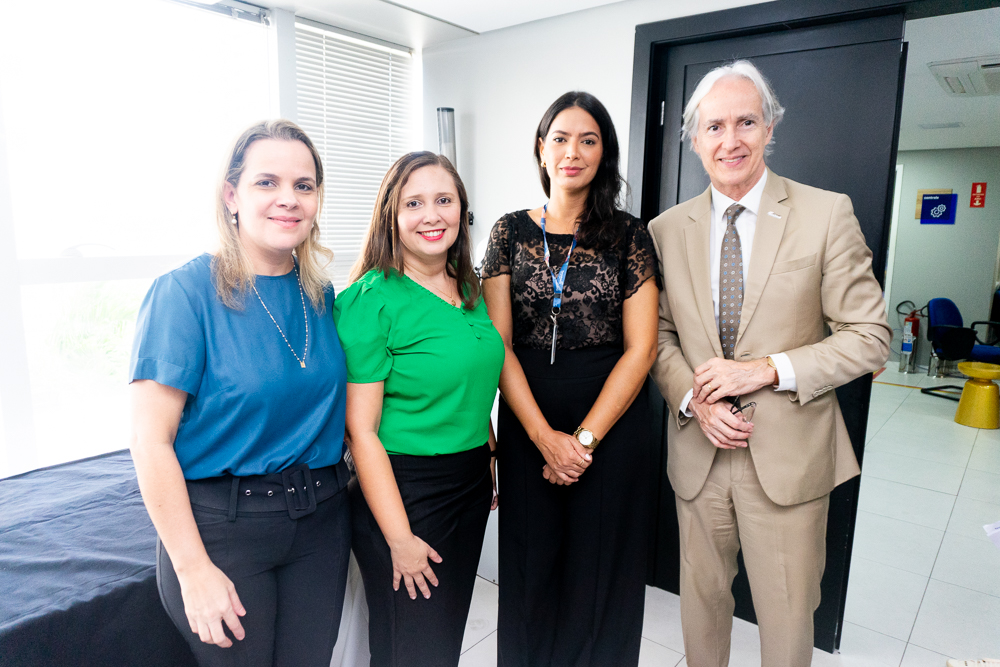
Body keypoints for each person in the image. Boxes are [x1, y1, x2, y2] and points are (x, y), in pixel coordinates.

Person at [647, 60, 892, 667]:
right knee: (701, 607)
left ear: (771, 127)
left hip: (788, 459)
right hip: (699, 455)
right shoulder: (665, 230)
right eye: (714, 127)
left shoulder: (825, 213)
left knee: (786, 617)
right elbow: (657, 334)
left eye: (745, 122)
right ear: (694, 137)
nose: (730, 140)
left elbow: (870, 336)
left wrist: (764, 370)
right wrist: (692, 396)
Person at [129, 120, 352, 667]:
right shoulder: (185, 293)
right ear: (231, 195)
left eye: (304, 186)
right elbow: (149, 442)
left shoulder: (321, 295)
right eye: (266, 182)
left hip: (322, 523)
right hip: (225, 534)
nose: (288, 200)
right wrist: (192, 569)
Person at [481, 91, 660, 667]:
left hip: (610, 430)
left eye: (588, 140)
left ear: (603, 152)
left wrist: (582, 441)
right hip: (527, 420)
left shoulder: (630, 235)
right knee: (532, 571)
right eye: (560, 138)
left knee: (601, 573)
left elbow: (642, 349)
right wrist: (542, 437)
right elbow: (498, 344)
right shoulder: (508, 231)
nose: (572, 151)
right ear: (541, 148)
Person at [332, 151, 503, 667]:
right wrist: (400, 539)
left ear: (462, 210)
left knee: (441, 640)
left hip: (469, 482)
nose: (432, 215)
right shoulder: (371, 300)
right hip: (406, 494)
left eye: (444, 200)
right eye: (415, 203)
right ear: (391, 214)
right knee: (411, 650)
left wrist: (489, 453)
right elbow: (360, 434)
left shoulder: (467, 288)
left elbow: (474, 381)